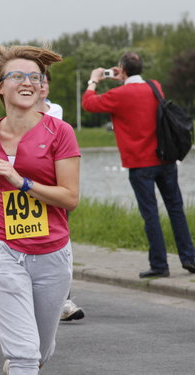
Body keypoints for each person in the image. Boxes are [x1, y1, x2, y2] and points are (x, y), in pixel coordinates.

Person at [0, 45, 80, 375]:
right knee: (23, 353)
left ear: (42, 86)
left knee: (41, 348)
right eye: (18, 76)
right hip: (2, 246)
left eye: (35, 77)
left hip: (53, 250)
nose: (28, 83)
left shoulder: (61, 132)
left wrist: (22, 182)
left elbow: (70, 197)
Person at [82, 51, 195, 278]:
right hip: (165, 158)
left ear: (121, 70)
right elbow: (138, 90)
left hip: (139, 163)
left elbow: (88, 103)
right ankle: (189, 259)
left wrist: (94, 80)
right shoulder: (155, 86)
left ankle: (159, 265)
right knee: (175, 209)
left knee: (150, 213)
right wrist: (124, 76)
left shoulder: (119, 95)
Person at [35, 72, 85, 322]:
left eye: (44, 81)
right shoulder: (16, 116)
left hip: (55, 191)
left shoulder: (56, 112)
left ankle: (63, 300)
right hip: (28, 192)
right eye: (36, 81)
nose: (40, 85)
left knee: (59, 242)